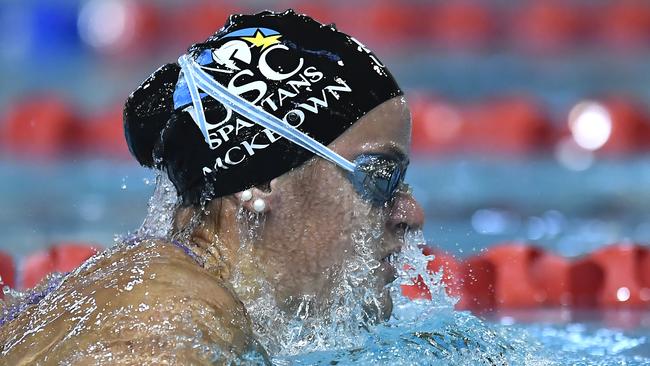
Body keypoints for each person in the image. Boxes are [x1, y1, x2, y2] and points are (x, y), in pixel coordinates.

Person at [0, 10, 424, 364]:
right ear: (260, 179)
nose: (411, 213)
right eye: (379, 175)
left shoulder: (146, 289)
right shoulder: (175, 320)